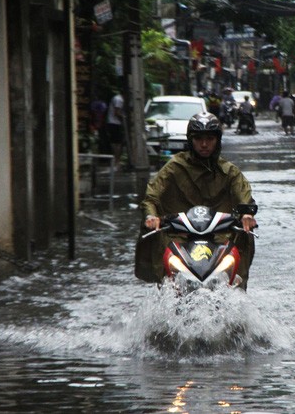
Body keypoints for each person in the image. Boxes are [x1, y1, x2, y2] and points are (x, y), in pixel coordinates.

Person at [134, 112, 257, 290]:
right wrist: (151, 217)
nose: (204, 144)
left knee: (246, 236)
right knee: (157, 241)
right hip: (179, 236)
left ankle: (238, 286)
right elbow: (152, 195)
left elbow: (243, 193)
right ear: (190, 140)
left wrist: (246, 214)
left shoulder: (229, 172)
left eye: (209, 138)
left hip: (220, 236)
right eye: (199, 139)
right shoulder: (174, 167)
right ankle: (165, 286)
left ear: (218, 140)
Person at [105, 92, 124, 170]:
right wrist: (124, 117)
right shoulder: (119, 99)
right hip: (114, 123)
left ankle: (116, 160)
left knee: (115, 142)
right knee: (117, 143)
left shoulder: (117, 98)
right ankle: (117, 161)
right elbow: (117, 112)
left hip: (112, 122)